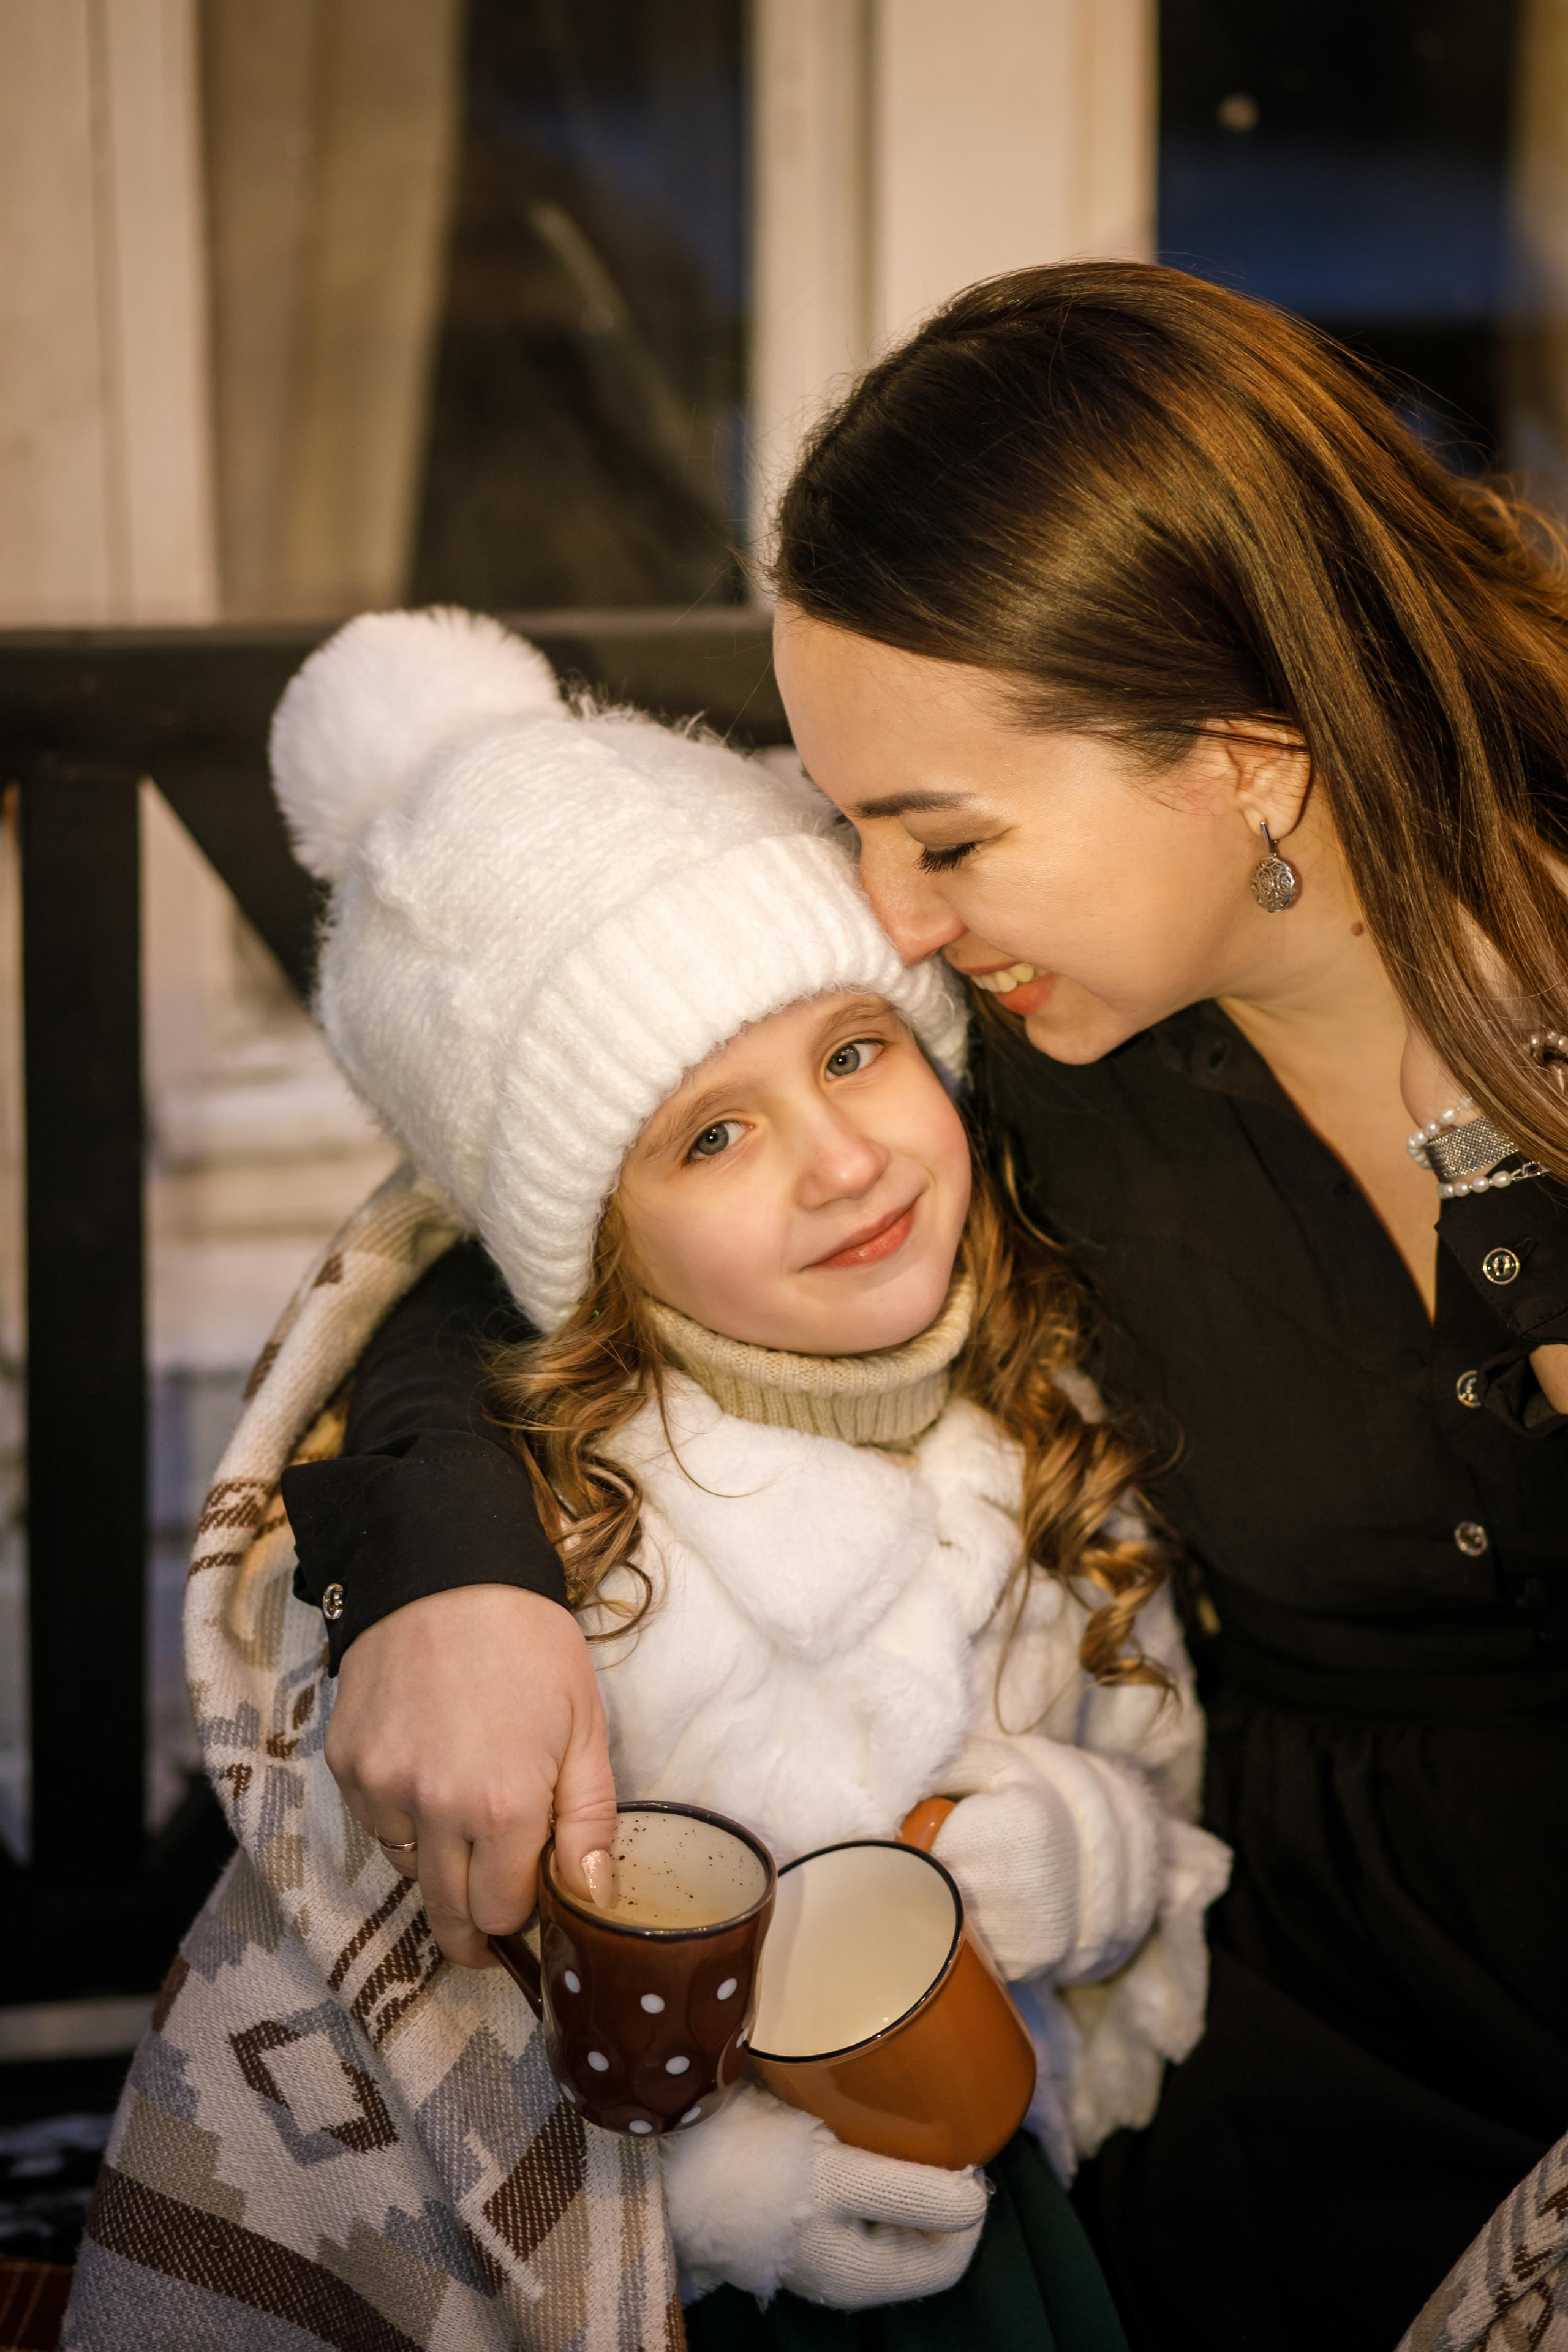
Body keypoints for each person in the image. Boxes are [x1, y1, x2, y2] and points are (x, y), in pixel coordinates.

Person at [302, 265, 1568, 2352]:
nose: (883, 916)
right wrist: (453, 1573)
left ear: (1245, 760)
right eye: (858, 826)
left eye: (942, 834)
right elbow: (520, 1236)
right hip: (1294, 2051)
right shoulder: (1038, 1058)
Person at [69, 608, 1226, 2351]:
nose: (841, 1163)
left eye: (855, 1050)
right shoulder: (546, 1529)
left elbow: (1145, 1755)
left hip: (1005, 2218)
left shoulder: (1036, 1406)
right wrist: (704, 2203)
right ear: (588, 1237)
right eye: (712, 1134)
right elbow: (407, 2000)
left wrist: (1089, 1853)